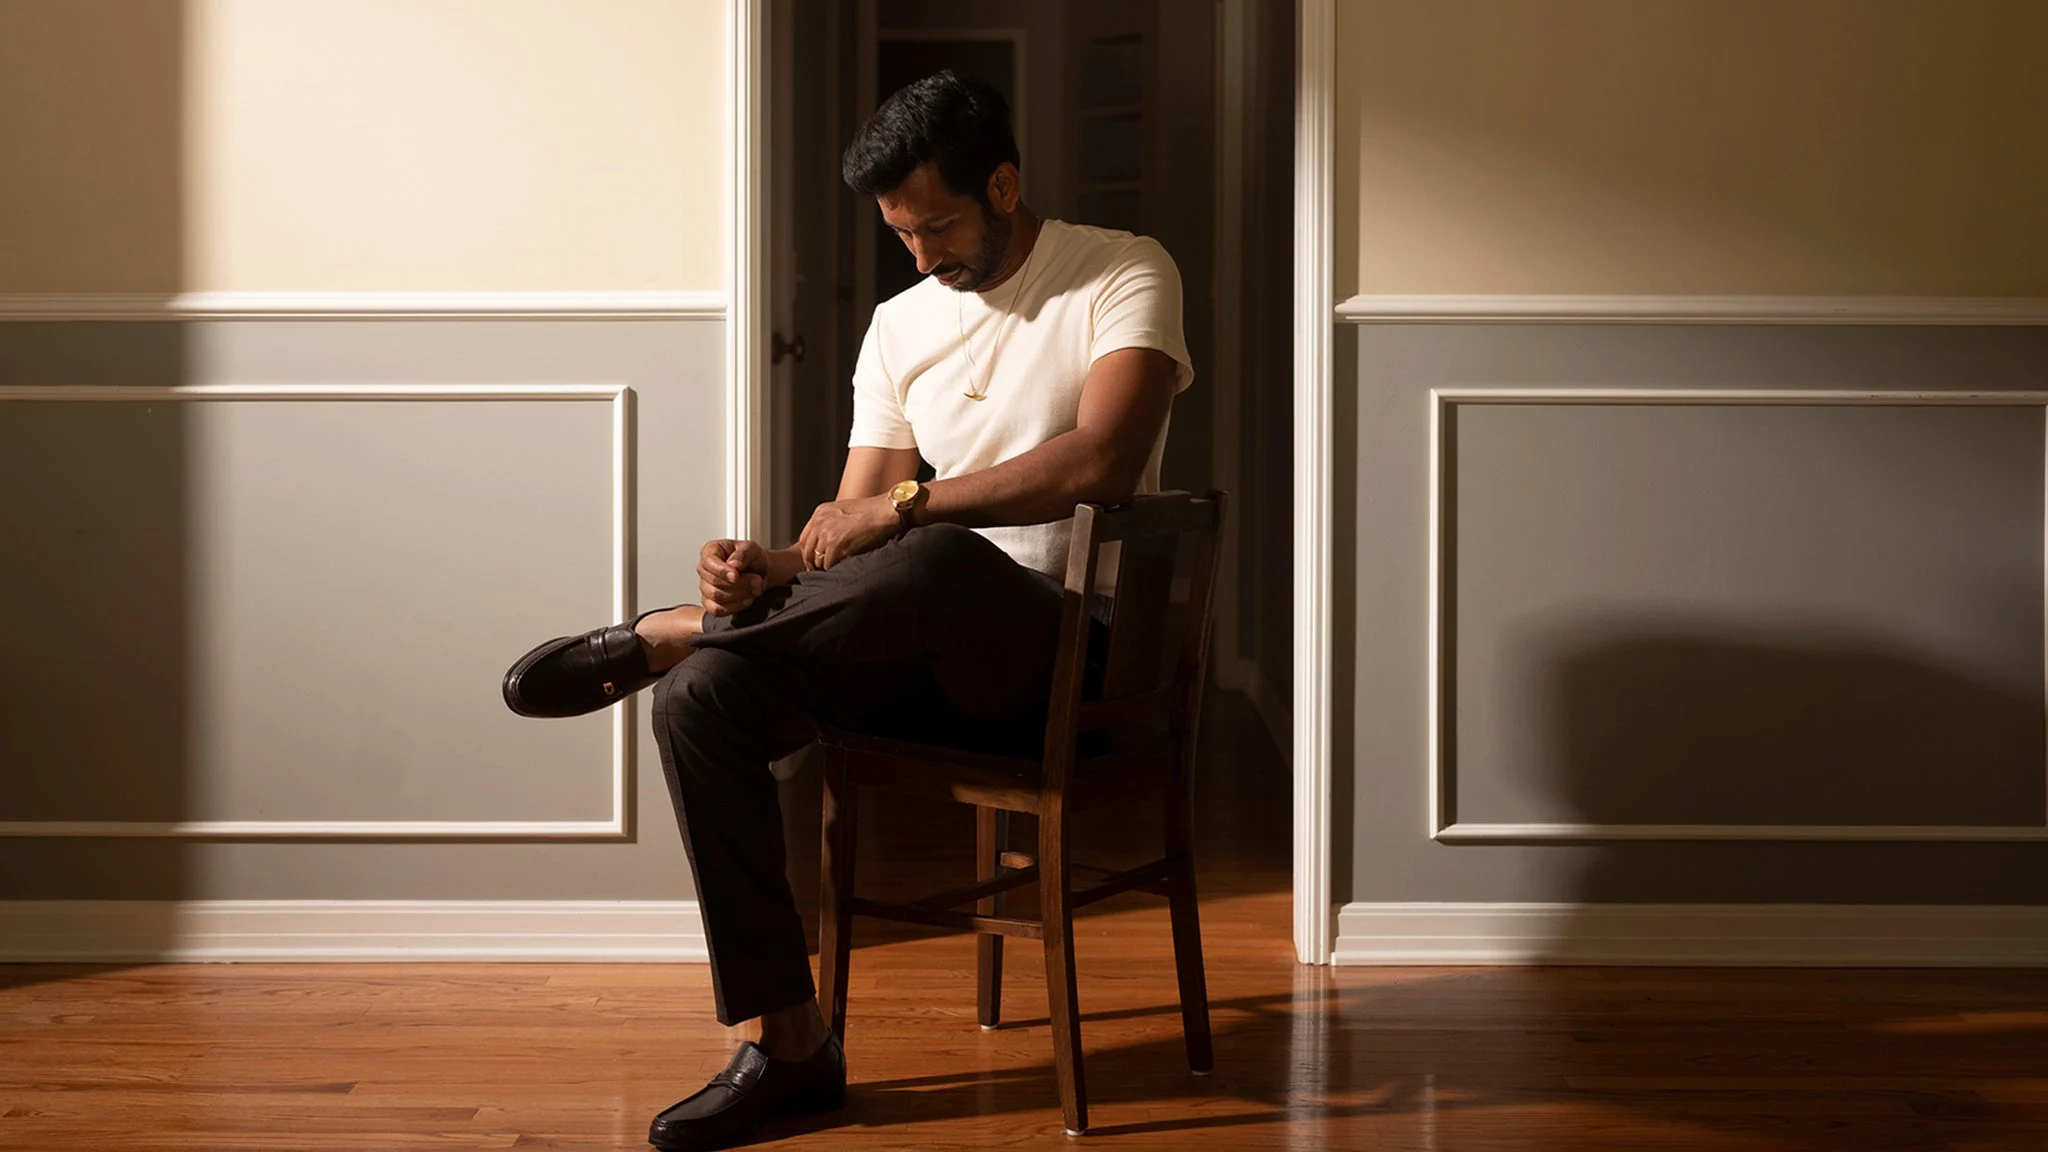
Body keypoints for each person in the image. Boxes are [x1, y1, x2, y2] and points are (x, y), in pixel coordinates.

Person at [501, 69, 1192, 1151]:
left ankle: (669, 625)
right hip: (922, 643)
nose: (921, 258)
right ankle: (790, 1047)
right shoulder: (897, 324)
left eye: (938, 227)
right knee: (699, 700)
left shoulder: (1119, 272)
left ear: (1004, 184)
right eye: (901, 236)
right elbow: (850, 521)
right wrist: (764, 568)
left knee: (936, 555)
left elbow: (1101, 459)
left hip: (1070, 661)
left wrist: (908, 507)